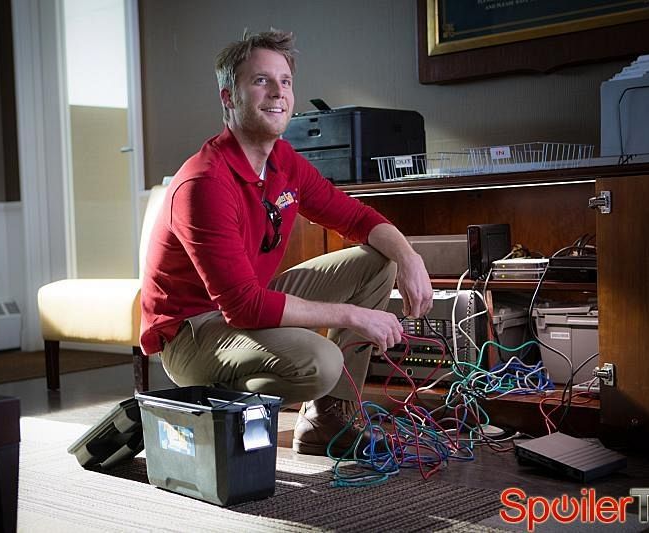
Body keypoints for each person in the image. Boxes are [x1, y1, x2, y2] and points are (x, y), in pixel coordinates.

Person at [140, 29, 433, 456]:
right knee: (322, 361)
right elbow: (244, 307)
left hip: (244, 305)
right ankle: (223, 412)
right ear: (228, 97)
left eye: (286, 81)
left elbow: (358, 218)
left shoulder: (284, 161)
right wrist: (355, 316)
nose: (278, 92)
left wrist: (409, 257)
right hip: (193, 333)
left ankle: (328, 420)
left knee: (379, 260)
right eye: (261, 80)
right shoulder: (204, 183)